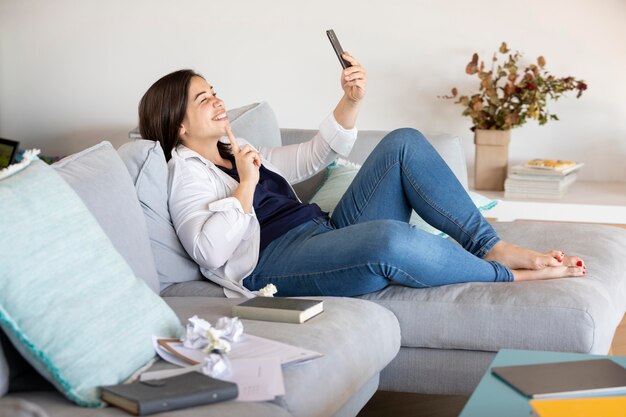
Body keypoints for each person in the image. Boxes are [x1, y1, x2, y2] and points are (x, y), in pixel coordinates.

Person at [138, 52, 586, 297]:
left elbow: (315, 156)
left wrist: (350, 100)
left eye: (214, 92)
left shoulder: (235, 150)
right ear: (178, 124)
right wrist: (247, 183)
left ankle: (493, 246)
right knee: (390, 239)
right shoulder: (185, 175)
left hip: (324, 232)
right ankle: (507, 276)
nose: (218, 101)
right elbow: (208, 251)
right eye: (203, 99)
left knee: (403, 142)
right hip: (272, 264)